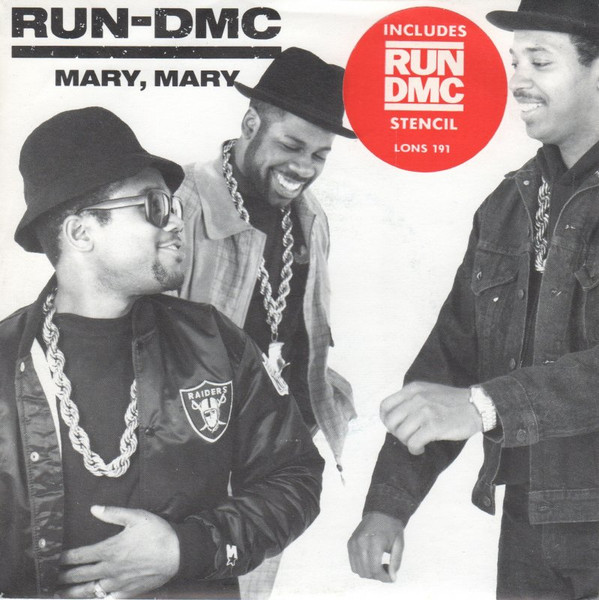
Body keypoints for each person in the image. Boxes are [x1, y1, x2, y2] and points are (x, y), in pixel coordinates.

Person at [0, 106, 324, 599]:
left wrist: (184, 549)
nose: (176, 220)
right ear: (81, 233)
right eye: (154, 206)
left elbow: (294, 475)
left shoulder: (214, 341)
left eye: (171, 203)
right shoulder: (5, 363)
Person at [348, 1, 599, 598]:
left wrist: (484, 406)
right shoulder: (509, 204)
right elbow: (451, 359)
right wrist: (389, 503)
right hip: (530, 528)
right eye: (515, 62)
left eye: (540, 61)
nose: (519, 80)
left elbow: (470, 399)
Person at [176, 47, 357, 598]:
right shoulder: (182, 202)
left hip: (274, 459)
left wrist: (319, 399)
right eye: (292, 146)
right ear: (251, 124)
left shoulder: (311, 215)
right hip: (190, 457)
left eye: (320, 155)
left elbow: (301, 327)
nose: (305, 167)